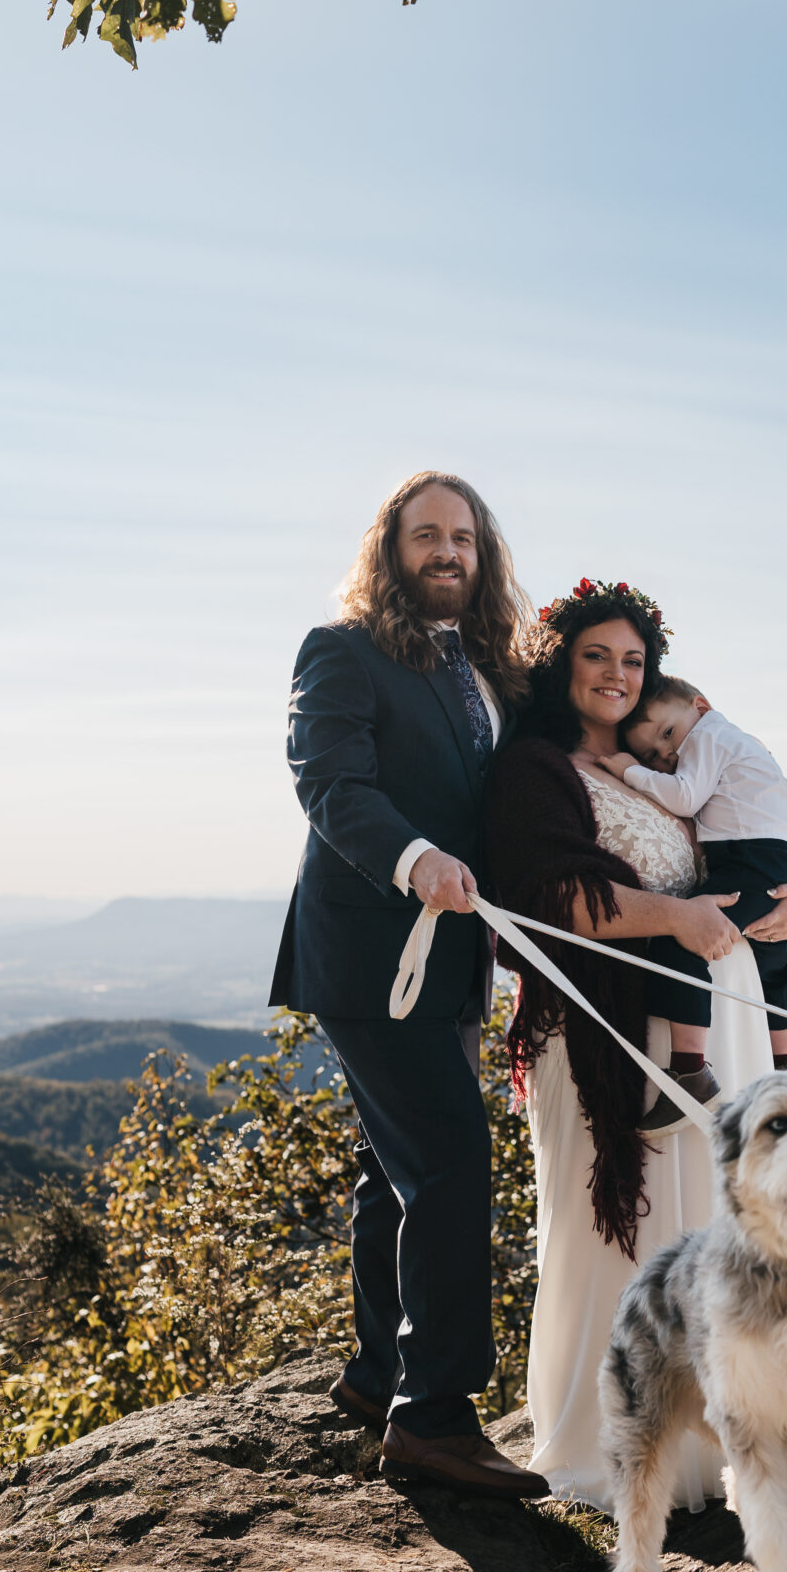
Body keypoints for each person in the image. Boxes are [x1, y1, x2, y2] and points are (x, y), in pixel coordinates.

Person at [485, 580, 787, 1507]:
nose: (616, 675)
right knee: (626, 1241)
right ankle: (627, 1448)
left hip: (724, 1019)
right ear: (559, 663)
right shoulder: (534, 767)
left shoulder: (664, 749)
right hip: (611, 1033)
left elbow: (767, 823)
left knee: (719, 1233)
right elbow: (541, 895)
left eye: (632, 659)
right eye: (596, 655)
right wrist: (670, 916)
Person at [268, 473, 549, 1500]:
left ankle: (379, 1371)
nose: (446, 552)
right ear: (390, 549)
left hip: (454, 961)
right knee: (448, 1159)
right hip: (369, 953)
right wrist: (415, 857)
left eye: (462, 537)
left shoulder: (489, 670)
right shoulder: (341, 651)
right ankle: (432, 1418)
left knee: (398, 1168)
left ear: (483, 554)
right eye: (426, 535)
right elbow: (331, 783)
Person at [599, 674, 787, 1103]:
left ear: (701, 705)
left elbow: (686, 798)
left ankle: (690, 1071)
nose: (668, 753)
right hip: (770, 857)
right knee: (775, 963)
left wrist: (632, 771)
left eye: (668, 733)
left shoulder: (709, 737)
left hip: (748, 859)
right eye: (653, 755)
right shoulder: (733, 741)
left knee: (680, 945)